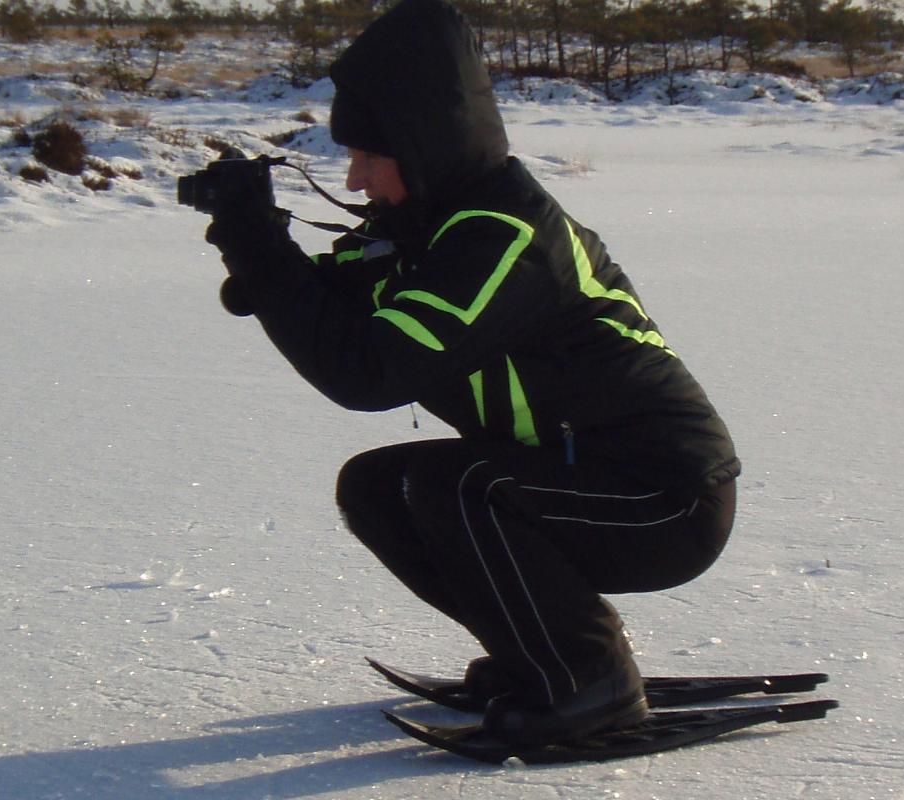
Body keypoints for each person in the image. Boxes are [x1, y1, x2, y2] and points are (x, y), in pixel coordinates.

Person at [202, 0, 739, 745]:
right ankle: (539, 653)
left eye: (367, 158)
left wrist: (261, 252)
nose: (355, 182)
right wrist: (267, 268)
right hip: (573, 477)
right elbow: (335, 301)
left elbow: (368, 373)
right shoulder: (431, 229)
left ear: (420, 146)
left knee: (456, 488)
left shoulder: (501, 239)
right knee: (378, 486)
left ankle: (588, 678)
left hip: (664, 500)